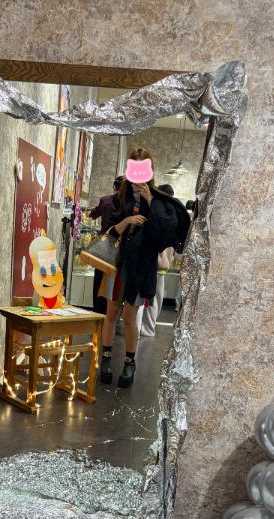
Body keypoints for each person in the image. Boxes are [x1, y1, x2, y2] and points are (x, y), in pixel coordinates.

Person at [100, 149, 190, 388]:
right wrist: (127, 220)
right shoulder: (120, 198)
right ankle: (106, 358)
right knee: (111, 313)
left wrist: (150, 200)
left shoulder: (158, 201)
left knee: (131, 317)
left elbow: (165, 234)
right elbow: (109, 233)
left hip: (141, 267)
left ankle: (130, 362)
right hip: (117, 265)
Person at [137, 183, 175, 337]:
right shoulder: (171, 213)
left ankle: (136, 330)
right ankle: (148, 329)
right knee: (155, 301)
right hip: (161, 265)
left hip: (147, 262)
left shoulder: (152, 208)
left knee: (140, 299)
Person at [88, 176, 123, 314]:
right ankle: (112, 311)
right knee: (115, 279)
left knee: (99, 278)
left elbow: (93, 215)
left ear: (114, 187)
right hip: (120, 246)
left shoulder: (105, 200)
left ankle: (98, 310)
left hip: (103, 244)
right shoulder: (127, 203)